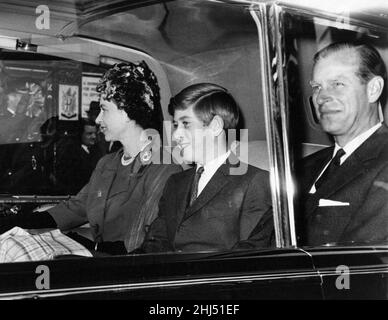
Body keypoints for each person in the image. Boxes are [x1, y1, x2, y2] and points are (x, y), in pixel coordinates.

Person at [0, 61, 182, 255]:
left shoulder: (163, 166)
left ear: (127, 111)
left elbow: (148, 242)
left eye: (105, 109)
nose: (98, 120)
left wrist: (89, 248)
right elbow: (75, 209)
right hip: (99, 262)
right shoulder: (107, 163)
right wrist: (13, 224)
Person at [139, 83, 274, 253]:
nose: (175, 135)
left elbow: (248, 256)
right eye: (175, 125)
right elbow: (154, 245)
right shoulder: (175, 182)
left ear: (215, 126)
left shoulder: (254, 181)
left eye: (186, 124)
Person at [297, 41, 388, 246]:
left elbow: (364, 260)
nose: (321, 98)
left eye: (337, 84)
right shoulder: (302, 168)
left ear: (373, 89)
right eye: (317, 87)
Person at [54, 118, 105, 194]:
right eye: (89, 133)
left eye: (95, 133)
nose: (94, 136)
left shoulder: (98, 151)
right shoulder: (69, 153)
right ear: (80, 134)